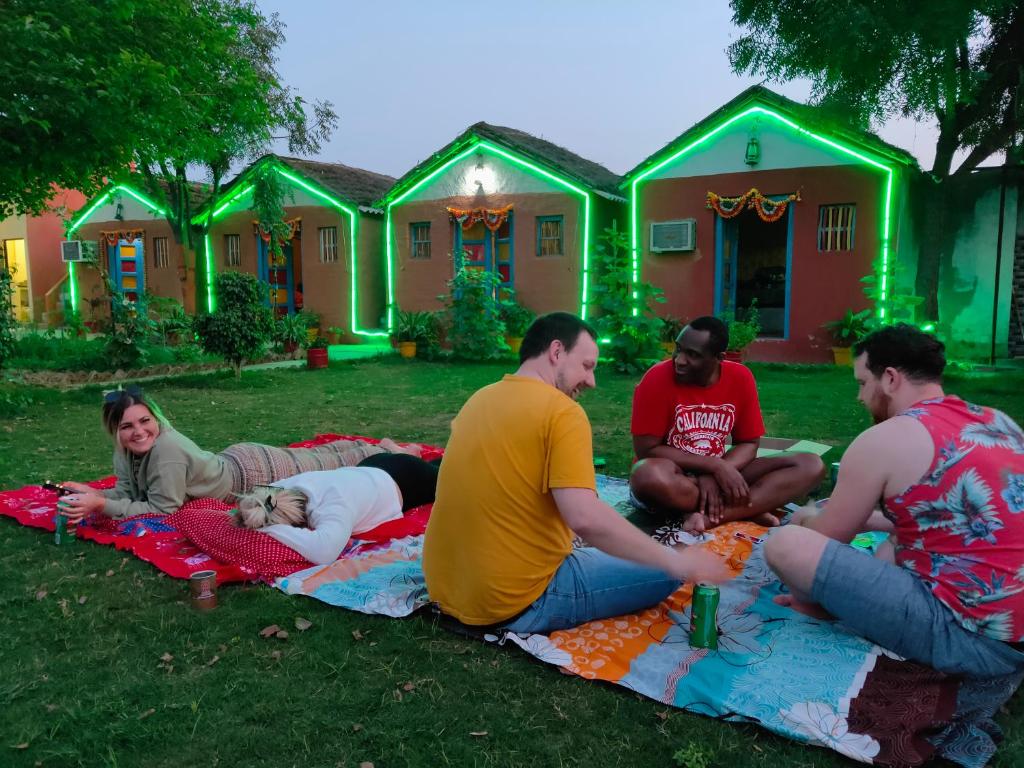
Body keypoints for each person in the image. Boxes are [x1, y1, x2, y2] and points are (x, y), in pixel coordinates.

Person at [422, 312, 728, 635]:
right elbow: (584, 518)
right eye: (587, 366)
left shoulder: (479, 398)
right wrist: (677, 563)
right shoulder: (562, 413)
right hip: (514, 600)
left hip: (445, 588)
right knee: (666, 568)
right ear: (556, 352)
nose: (592, 381)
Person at [765, 324, 1024, 681]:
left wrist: (805, 517)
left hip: (970, 640)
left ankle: (819, 606)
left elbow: (826, 537)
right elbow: (963, 521)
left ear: (889, 379)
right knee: (894, 539)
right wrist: (873, 521)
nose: (859, 398)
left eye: (861, 383)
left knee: (787, 544)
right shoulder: (997, 421)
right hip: (1011, 631)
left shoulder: (884, 438)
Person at [58, 386, 420, 521]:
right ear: (115, 432)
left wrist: (102, 507)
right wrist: (93, 495)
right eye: (127, 426)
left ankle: (389, 451)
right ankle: (377, 446)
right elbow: (127, 492)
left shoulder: (165, 449)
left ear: (156, 419)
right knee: (326, 456)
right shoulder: (126, 452)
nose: (139, 432)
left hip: (251, 472)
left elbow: (161, 509)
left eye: (145, 421)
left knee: (332, 462)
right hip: (236, 460)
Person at [629, 316, 824, 533]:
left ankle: (710, 518)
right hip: (676, 478)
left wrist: (719, 471)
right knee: (646, 475)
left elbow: (749, 442)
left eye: (693, 355)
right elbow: (647, 450)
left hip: (720, 476)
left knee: (810, 464)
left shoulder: (740, 377)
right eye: (678, 349)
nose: (679, 360)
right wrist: (713, 466)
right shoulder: (656, 379)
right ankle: (751, 507)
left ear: (718, 358)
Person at [235, 452, 441, 564]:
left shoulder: (334, 508)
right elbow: (257, 500)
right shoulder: (282, 489)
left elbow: (323, 553)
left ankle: (411, 453)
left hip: (409, 479)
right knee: (423, 461)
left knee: (447, 472)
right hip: (370, 464)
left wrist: (269, 529)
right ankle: (401, 450)